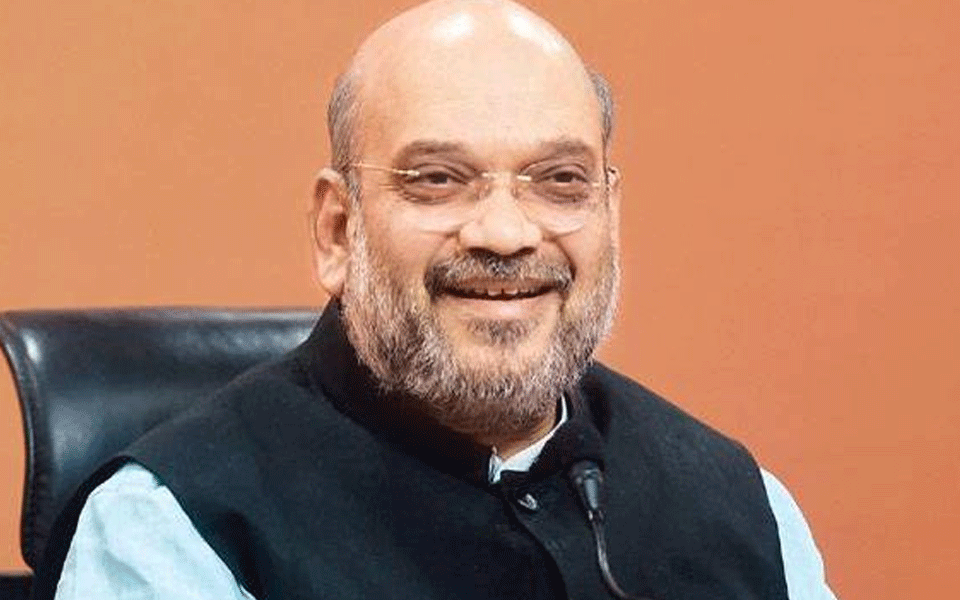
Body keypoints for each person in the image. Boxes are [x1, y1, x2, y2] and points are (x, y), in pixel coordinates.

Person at [36, 1, 837, 599]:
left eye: (561, 180)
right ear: (338, 228)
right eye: (438, 180)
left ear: (610, 213)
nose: (506, 233)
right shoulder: (171, 534)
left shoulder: (745, 506)